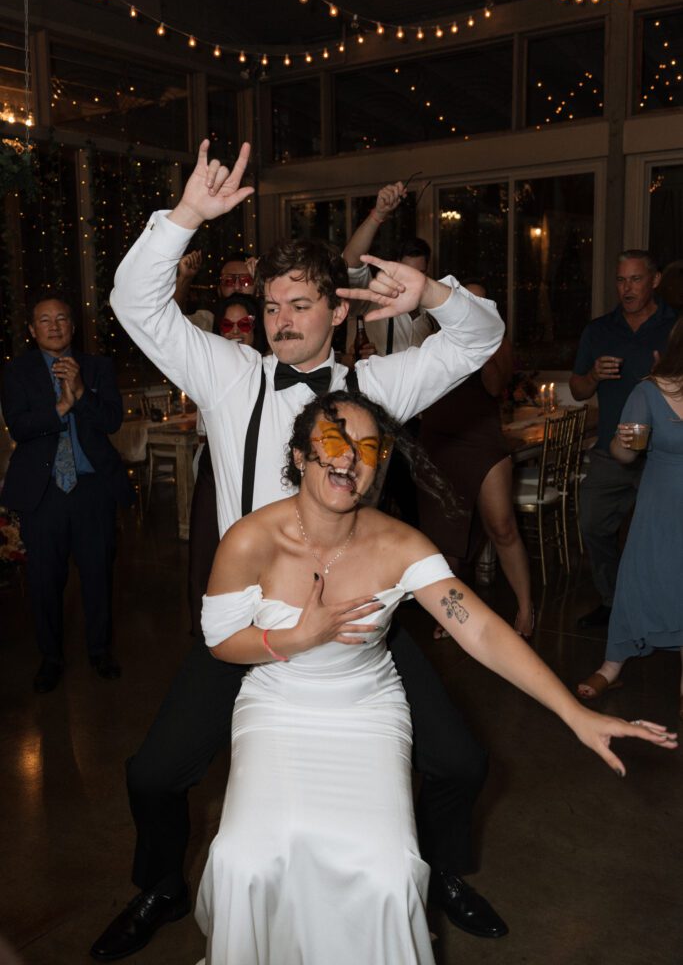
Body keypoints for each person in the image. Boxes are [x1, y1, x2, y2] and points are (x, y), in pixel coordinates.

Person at [90, 139, 507, 961]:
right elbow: (134, 304)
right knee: (151, 773)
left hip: (359, 615)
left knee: (460, 762)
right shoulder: (226, 373)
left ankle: (436, 872)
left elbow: (475, 343)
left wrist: (434, 294)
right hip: (251, 615)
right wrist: (186, 215)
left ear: (337, 313)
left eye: (301, 305)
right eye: (272, 305)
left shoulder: (375, 388)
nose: (281, 321)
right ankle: (163, 885)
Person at [195, 390, 677, 965]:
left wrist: (575, 714)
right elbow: (221, 642)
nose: (350, 457)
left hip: (366, 711)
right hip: (278, 706)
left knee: (389, 872)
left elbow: (481, 629)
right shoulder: (250, 538)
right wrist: (297, 638)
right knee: (245, 860)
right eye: (334, 440)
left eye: (367, 448)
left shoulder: (399, 545)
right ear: (300, 455)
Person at [0, 295, 134, 693]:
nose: (54, 326)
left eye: (61, 319)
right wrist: (61, 407)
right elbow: (19, 427)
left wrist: (81, 393)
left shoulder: (97, 367)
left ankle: (100, 652)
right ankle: (51, 658)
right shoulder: (16, 372)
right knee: (44, 581)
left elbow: (112, 420)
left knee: (98, 575)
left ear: (73, 327)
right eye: (44, 320)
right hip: (44, 492)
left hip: (93, 489)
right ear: (32, 330)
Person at [577, 316, 683, 713]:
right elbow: (623, 455)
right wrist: (625, 443)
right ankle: (612, 664)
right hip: (661, 505)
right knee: (641, 577)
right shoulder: (649, 391)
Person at [419, 282, 534, 638]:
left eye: (478, 301)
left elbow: (495, 385)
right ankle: (449, 614)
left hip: (482, 438)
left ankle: (526, 606)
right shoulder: (435, 339)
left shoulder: (497, 341)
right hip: (438, 438)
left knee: (502, 525)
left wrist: (480, 340)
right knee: (445, 534)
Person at [569, 250, 677, 629]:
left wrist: (667, 378)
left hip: (662, 455)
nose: (626, 288)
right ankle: (613, 601)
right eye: (620, 280)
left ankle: (662, 607)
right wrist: (594, 376)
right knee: (592, 524)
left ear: (655, 280)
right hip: (612, 450)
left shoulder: (675, 327)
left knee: (662, 537)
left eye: (635, 279)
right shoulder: (599, 330)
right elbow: (578, 390)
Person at [188, 292, 266, 635]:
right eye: (227, 324)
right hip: (215, 466)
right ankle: (206, 635)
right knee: (206, 551)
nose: (235, 331)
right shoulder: (207, 368)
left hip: (262, 464)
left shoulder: (271, 368)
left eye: (244, 324)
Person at [342, 180, 434, 358]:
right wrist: (378, 214)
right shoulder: (371, 299)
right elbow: (351, 261)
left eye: (419, 274)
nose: (412, 281)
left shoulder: (429, 315)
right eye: (406, 273)